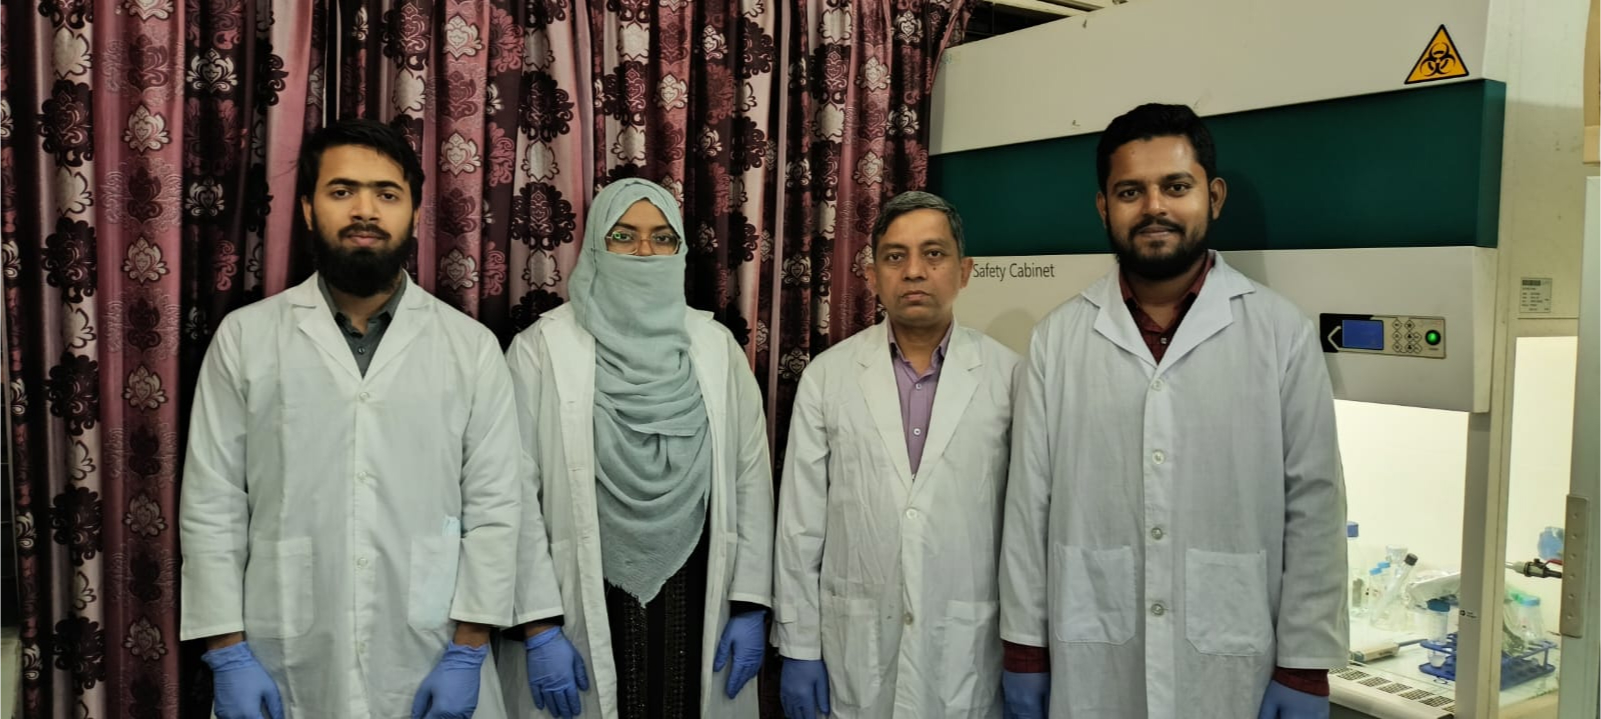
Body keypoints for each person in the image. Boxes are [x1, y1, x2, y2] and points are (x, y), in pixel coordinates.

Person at [179, 118, 562, 718]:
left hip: (432, 650)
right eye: (342, 191)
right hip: (285, 655)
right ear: (307, 209)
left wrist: (468, 651)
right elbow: (212, 505)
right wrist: (226, 652)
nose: (365, 210)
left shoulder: (469, 346)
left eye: (387, 193)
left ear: (413, 212)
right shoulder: (247, 339)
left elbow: (496, 508)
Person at [996, 104, 1348, 719]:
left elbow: (1314, 504)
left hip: (1233, 662)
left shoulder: (1279, 332)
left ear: (1213, 196)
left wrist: (1304, 663)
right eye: (1130, 191)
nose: (1154, 207)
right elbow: (1030, 505)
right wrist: (1025, 651)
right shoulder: (1059, 339)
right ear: (1104, 207)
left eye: (1176, 187)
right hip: (1093, 656)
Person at [497, 178, 774, 719]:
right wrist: (537, 624)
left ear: (681, 251)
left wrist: (749, 605)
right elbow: (513, 494)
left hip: (700, 594)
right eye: (624, 236)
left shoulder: (715, 348)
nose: (644, 252)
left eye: (661, 238)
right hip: (578, 602)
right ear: (596, 246)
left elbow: (750, 478)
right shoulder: (540, 351)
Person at [771, 191, 1019, 719]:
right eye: (895, 256)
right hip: (854, 647)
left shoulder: (1011, 378)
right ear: (871, 274)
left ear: (964, 270)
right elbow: (800, 528)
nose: (914, 272)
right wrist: (797, 647)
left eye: (934, 254)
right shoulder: (828, 378)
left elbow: (1026, 530)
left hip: (967, 649)